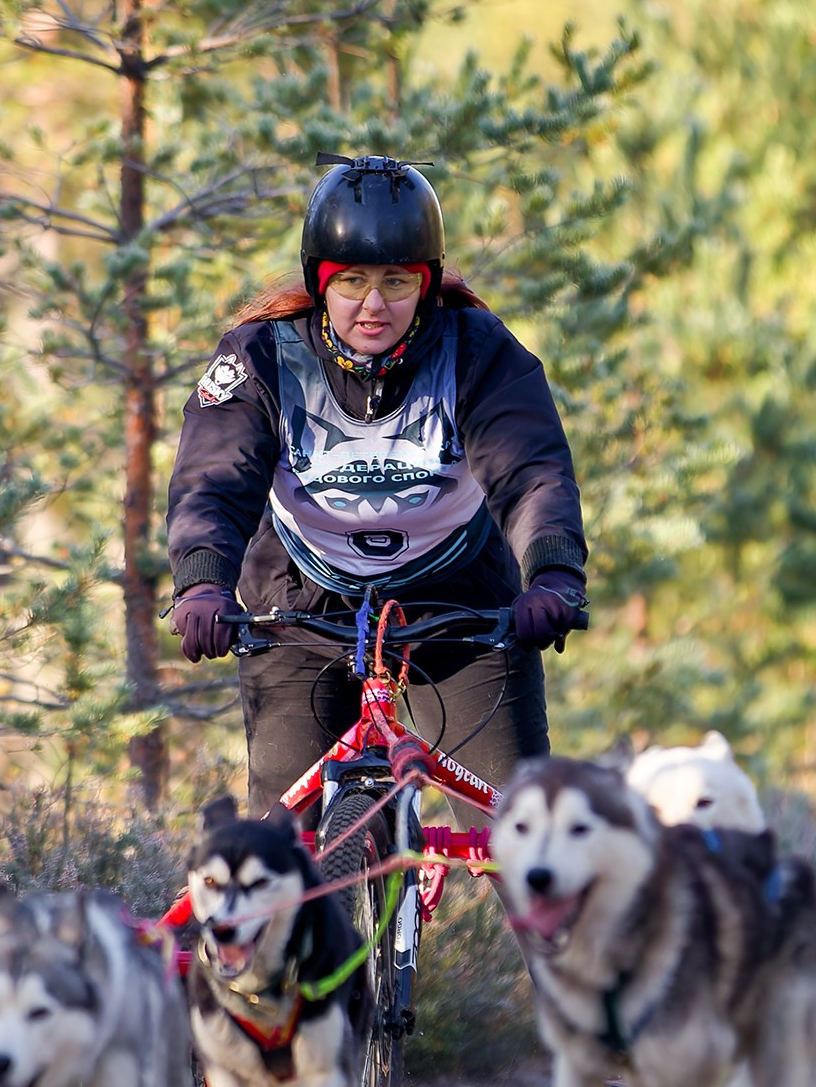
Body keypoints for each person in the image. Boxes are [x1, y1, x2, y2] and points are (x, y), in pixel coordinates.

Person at [166, 154, 589, 820]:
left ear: (426, 282)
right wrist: (202, 581)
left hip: (460, 612)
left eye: (396, 281)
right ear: (320, 282)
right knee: (285, 864)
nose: (373, 304)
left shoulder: (477, 349)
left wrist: (553, 574)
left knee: (525, 837)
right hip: (301, 610)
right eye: (352, 281)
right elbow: (214, 481)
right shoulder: (261, 357)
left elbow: (530, 472)